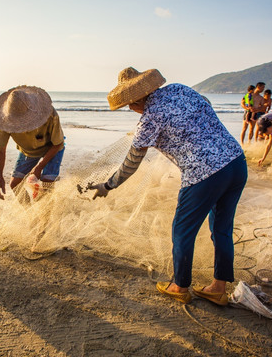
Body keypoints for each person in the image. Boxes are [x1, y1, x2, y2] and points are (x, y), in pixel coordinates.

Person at [90, 67, 247, 305]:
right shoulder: (181, 89)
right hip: (236, 162)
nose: (131, 110)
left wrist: (108, 185)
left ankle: (180, 286)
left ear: (136, 100)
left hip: (204, 173)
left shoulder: (149, 119)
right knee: (222, 229)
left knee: (182, 231)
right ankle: (218, 288)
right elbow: (205, 108)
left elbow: (131, 163)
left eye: (130, 106)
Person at [0, 85, 65, 200]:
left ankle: (46, 216)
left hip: (52, 148)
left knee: (47, 183)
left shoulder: (50, 115)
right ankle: (30, 213)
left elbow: (58, 144)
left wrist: (39, 167)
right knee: (15, 184)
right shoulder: (4, 122)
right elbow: (0, 150)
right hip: (28, 150)